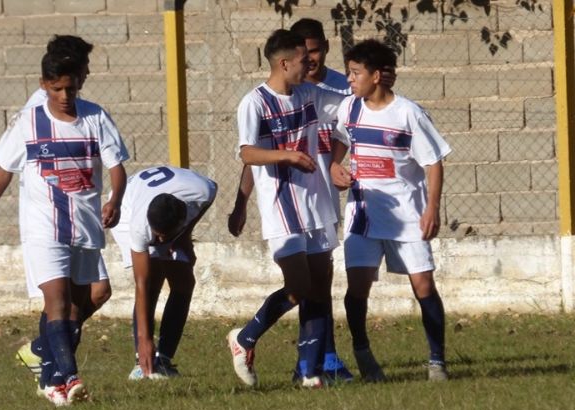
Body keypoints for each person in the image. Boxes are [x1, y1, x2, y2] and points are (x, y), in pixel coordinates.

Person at [0, 48, 129, 405]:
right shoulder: (28, 121)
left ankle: (45, 369)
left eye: (71, 89)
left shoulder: (95, 117)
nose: (64, 97)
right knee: (57, 303)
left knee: (93, 296)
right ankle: (70, 379)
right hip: (43, 227)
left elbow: (117, 165)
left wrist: (115, 199)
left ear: (78, 85)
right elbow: (3, 172)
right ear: (44, 85)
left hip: (85, 223)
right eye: (57, 89)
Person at [227, 19, 357, 383]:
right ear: (285, 63)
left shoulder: (310, 95)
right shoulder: (255, 103)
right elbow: (248, 153)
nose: (309, 64)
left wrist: (334, 160)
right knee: (299, 287)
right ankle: (244, 337)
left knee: (318, 287)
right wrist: (286, 156)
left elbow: (348, 113)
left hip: (316, 204)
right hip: (282, 209)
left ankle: (310, 373)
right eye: (303, 59)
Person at [330, 39, 452, 382]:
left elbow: (434, 162)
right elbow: (340, 141)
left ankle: (437, 362)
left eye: (356, 73)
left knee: (424, 285)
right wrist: (332, 166)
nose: (350, 80)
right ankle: (364, 355)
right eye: (349, 73)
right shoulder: (350, 108)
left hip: (406, 214)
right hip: (363, 213)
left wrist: (432, 208)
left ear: (378, 76)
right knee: (357, 288)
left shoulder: (408, 113)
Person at [12, 35, 113, 383]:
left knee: (94, 293)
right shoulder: (38, 110)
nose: (87, 74)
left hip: (81, 216)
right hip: (51, 217)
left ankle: (44, 350)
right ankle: (59, 373)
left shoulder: (86, 111)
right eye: (85, 66)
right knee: (62, 298)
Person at [110, 166, 217, 380]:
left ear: (181, 221)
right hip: (126, 207)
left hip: (169, 203)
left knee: (184, 282)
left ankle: (164, 359)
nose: (158, 242)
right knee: (152, 282)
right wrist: (145, 340)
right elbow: (141, 283)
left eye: (163, 237)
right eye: (156, 237)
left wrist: (184, 237)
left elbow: (206, 201)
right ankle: (141, 363)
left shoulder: (203, 191)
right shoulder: (140, 227)